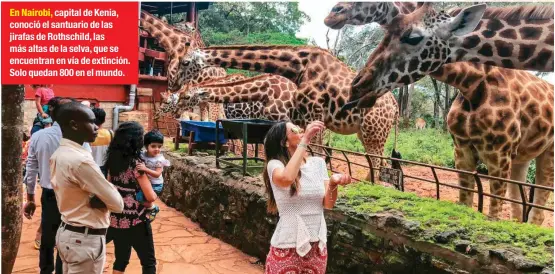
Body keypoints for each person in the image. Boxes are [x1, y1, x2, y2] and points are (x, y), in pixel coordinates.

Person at [262, 121, 352, 274]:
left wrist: (333, 183)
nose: (301, 130)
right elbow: (287, 178)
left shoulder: (318, 164)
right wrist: (305, 141)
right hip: (286, 246)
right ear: (284, 142)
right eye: (295, 130)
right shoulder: (275, 165)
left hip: (317, 246)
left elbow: (328, 204)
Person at [50, 102, 124, 274]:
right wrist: (103, 193)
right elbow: (118, 204)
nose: (96, 127)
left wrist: (98, 196)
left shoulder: (60, 153)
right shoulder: (80, 161)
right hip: (84, 239)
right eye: (91, 122)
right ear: (74, 125)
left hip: (69, 233)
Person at [23, 97, 85, 274]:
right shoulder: (80, 136)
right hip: (74, 195)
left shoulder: (39, 136)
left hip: (50, 194)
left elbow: (31, 168)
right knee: (68, 236)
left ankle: (46, 270)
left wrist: (30, 198)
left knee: (48, 237)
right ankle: (60, 270)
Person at [105, 121, 158, 274]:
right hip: (137, 220)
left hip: (117, 218)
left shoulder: (112, 162)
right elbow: (150, 196)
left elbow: (110, 186)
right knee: (148, 262)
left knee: (121, 259)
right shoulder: (136, 165)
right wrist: (154, 193)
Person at [137, 130, 170, 221]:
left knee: (140, 198)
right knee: (139, 198)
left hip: (156, 184)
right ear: (146, 146)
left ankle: (153, 208)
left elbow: (157, 174)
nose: (157, 149)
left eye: (159, 146)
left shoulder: (160, 159)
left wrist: (145, 169)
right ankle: (147, 211)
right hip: (147, 182)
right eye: (153, 146)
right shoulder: (142, 154)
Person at [90, 107, 113, 178]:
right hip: (104, 166)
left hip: (91, 165)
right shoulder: (110, 133)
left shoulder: (88, 135)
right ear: (104, 119)